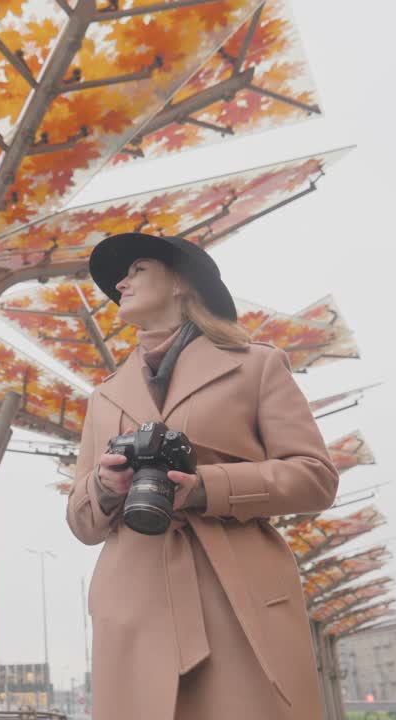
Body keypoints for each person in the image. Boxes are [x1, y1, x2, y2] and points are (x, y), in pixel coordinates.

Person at [67, 232, 339, 720]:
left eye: (138, 270)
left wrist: (206, 489)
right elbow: (81, 523)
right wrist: (104, 488)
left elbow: (315, 477)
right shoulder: (103, 396)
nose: (121, 283)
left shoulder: (256, 366)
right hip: (132, 609)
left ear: (180, 282)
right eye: (121, 278)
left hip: (235, 602)